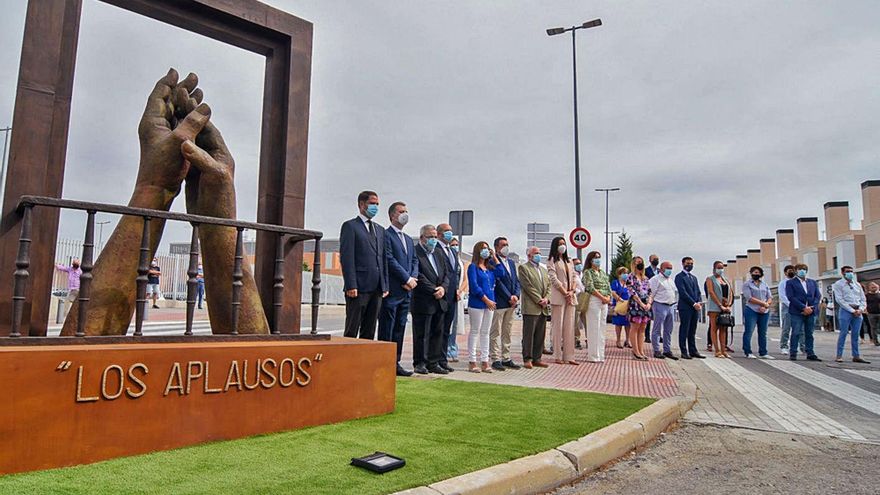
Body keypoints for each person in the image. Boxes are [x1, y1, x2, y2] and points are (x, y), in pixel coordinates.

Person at [339, 190, 389, 340]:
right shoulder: (350, 226)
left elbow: (383, 258)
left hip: (377, 288)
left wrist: (385, 285)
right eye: (372, 203)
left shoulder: (380, 230)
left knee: (369, 329)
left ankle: (364, 362)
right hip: (359, 287)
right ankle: (347, 361)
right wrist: (351, 285)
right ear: (361, 204)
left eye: (377, 204)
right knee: (352, 328)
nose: (375, 207)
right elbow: (347, 258)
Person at [378, 201, 418, 376]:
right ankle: (383, 363)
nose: (405, 214)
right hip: (392, 290)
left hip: (406, 291)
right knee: (387, 327)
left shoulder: (409, 239)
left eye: (406, 211)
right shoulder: (385, 235)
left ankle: (396, 362)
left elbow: (414, 260)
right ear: (392, 215)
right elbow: (389, 259)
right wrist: (406, 278)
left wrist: (412, 278)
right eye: (401, 211)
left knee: (400, 327)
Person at [410, 225, 451, 374]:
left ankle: (433, 363)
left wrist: (443, 288)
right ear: (422, 238)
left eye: (435, 236)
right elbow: (418, 275)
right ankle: (420, 362)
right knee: (422, 334)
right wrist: (434, 289)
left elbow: (446, 274)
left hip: (439, 300)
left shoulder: (439, 253)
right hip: (423, 300)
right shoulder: (415, 252)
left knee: (437, 332)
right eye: (430, 237)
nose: (433, 240)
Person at [489, 236, 522, 371]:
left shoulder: (511, 262)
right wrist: (509, 296)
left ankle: (506, 357)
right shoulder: (492, 261)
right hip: (500, 301)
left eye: (507, 244)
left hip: (511, 304)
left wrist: (516, 295)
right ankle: (495, 358)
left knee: (507, 331)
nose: (506, 247)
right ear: (496, 247)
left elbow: (516, 281)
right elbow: (498, 282)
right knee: (496, 331)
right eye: (503, 245)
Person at [518, 246, 551, 369]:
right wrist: (539, 299)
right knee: (529, 334)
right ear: (529, 255)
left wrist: (547, 298)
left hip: (543, 307)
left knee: (540, 335)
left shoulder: (543, 270)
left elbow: (549, 286)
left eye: (539, 253)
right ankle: (527, 358)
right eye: (536, 253)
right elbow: (528, 286)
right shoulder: (524, 268)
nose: (538, 255)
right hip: (531, 306)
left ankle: (537, 358)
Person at [547, 236, 579, 365]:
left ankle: (569, 356)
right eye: (560, 244)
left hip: (570, 297)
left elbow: (574, 277)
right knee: (558, 327)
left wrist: (572, 291)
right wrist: (564, 292)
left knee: (569, 327)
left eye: (564, 243)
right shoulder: (552, 260)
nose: (562, 246)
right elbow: (553, 278)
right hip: (559, 297)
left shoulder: (569, 261)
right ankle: (557, 355)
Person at [467, 241, 497, 373]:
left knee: (486, 332)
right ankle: (472, 361)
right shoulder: (473, 267)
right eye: (483, 248)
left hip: (490, 304)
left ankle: (485, 360)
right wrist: (485, 299)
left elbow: (501, 273)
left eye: (487, 248)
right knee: (475, 331)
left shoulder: (489, 268)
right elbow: (474, 286)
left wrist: (494, 257)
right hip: (477, 303)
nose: (486, 250)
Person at [832, 266, 870, 364]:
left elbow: (863, 298)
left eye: (851, 272)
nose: (850, 273)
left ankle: (856, 355)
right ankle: (839, 355)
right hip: (846, 310)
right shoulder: (838, 284)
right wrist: (852, 310)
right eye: (848, 271)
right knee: (843, 333)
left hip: (858, 310)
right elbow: (839, 300)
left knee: (856, 334)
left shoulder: (857, 284)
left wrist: (861, 309)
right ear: (842, 273)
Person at [437, 224, 461, 369]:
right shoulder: (436, 250)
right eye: (446, 231)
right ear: (439, 234)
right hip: (441, 294)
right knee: (438, 329)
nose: (450, 233)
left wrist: (457, 289)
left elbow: (454, 274)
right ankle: (435, 359)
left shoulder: (452, 251)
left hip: (452, 295)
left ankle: (443, 359)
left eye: (451, 231)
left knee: (447, 329)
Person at [786, 264, 822, 361]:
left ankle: (810, 352)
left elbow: (817, 296)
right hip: (797, 311)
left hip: (811, 311)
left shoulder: (812, 282)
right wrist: (803, 308)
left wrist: (812, 307)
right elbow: (791, 297)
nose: (802, 271)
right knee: (796, 332)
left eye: (804, 269)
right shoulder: (790, 283)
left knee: (809, 333)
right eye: (800, 269)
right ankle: (793, 352)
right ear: (795, 271)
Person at [583, 250, 611, 363]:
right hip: (594, 300)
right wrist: (602, 297)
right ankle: (593, 355)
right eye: (595, 257)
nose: (598, 260)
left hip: (604, 302)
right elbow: (590, 287)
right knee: (593, 327)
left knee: (602, 327)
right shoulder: (587, 272)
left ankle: (601, 354)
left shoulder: (603, 273)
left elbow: (608, 286)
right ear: (590, 260)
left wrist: (608, 297)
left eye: (599, 257)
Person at [674, 257, 705, 359]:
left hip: (695, 308)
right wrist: (693, 303)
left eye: (691, 263)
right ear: (683, 264)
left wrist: (699, 302)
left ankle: (693, 350)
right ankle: (684, 351)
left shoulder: (694, 278)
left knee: (692, 330)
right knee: (685, 329)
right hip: (685, 307)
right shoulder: (679, 277)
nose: (690, 265)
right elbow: (683, 293)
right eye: (688, 263)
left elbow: (698, 291)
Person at [741, 266, 775, 359]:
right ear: (751, 273)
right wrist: (762, 303)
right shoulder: (747, 284)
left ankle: (763, 352)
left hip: (764, 311)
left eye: (758, 272)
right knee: (749, 331)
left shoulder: (765, 284)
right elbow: (749, 297)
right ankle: (748, 351)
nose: (756, 274)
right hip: (752, 310)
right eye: (754, 272)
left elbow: (770, 297)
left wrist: (766, 305)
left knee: (763, 332)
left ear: (761, 274)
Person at [649, 261, 678, 360]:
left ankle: (667, 349)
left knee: (668, 330)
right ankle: (656, 350)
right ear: (661, 269)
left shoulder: (670, 280)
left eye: (671, 268)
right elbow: (651, 293)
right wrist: (650, 304)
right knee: (657, 329)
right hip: (659, 305)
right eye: (667, 268)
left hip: (671, 306)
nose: (669, 270)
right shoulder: (655, 279)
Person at [705, 261, 733, 358]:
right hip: (714, 307)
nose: (720, 269)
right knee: (714, 328)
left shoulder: (725, 280)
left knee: (723, 328)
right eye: (718, 267)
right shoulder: (710, 279)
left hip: (725, 307)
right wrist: (720, 304)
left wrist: (728, 305)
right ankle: (717, 350)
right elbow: (711, 292)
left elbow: (730, 293)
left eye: (722, 267)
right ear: (714, 268)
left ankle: (723, 349)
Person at [446, 237, 468, 361]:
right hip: (449, 294)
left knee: (455, 325)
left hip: (458, 296)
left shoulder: (460, 261)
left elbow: (465, 279)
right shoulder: (446, 258)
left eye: (456, 244)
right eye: (452, 244)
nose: (454, 246)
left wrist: (460, 291)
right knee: (447, 325)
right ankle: (446, 350)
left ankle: (453, 349)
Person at [626, 257, 652, 360]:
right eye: (637, 262)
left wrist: (649, 303)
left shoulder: (645, 278)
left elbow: (650, 291)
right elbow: (632, 292)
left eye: (641, 262)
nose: (639, 264)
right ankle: (635, 351)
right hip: (636, 305)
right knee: (635, 327)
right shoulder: (630, 277)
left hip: (645, 305)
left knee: (643, 328)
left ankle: (641, 351)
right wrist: (641, 303)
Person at [610, 267, 631, 349]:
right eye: (623, 273)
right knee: (618, 323)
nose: (626, 275)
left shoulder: (629, 283)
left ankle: (627, 340)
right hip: (619, 305)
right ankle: (618, 340)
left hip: (628, 305)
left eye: (627, 273)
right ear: (619, 274)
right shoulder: (615, 282)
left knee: (628, 324)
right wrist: (619, 299)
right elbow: (613, 292)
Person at [777, 265, 795, 355]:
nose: (791, 272)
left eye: (793, 270)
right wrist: (791, 304)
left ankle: (802, 346)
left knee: (800, 329)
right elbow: (782, 296)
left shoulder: (797, 282)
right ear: (785, 272)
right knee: (786, 328)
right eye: (789, 270)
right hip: (787, 307)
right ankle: (784, 346)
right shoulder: (783, 283)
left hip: (798, 308)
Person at [643, 254, 660, 344]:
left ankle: (658, 335)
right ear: (650, 260)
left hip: (659, 297)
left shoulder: (660, 271)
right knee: (648, 318)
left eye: (657, 259)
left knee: (659, 317)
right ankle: (647, 336)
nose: (656, 261)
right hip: (649, 296)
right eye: (654, 259)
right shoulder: (646, 271)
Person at [573, 258, 588, 350]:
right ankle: (576, 339)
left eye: (580, 263)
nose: (579, 265)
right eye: (576, 264)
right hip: (577, 297)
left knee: (586, 320)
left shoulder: (584, 275)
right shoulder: (572, 275)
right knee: (576, 321)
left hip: (585, 298)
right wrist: (578, 291)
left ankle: (588, 339)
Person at [865, 282, 880, 346]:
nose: (873, 286)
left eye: (875, 285)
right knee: (873, 328)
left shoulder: (879, 294)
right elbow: (864, 303)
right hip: (871, 314)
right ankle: (876, 342)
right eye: (872, 286)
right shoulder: (866, 295)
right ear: (869, 288)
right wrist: (866, 311)